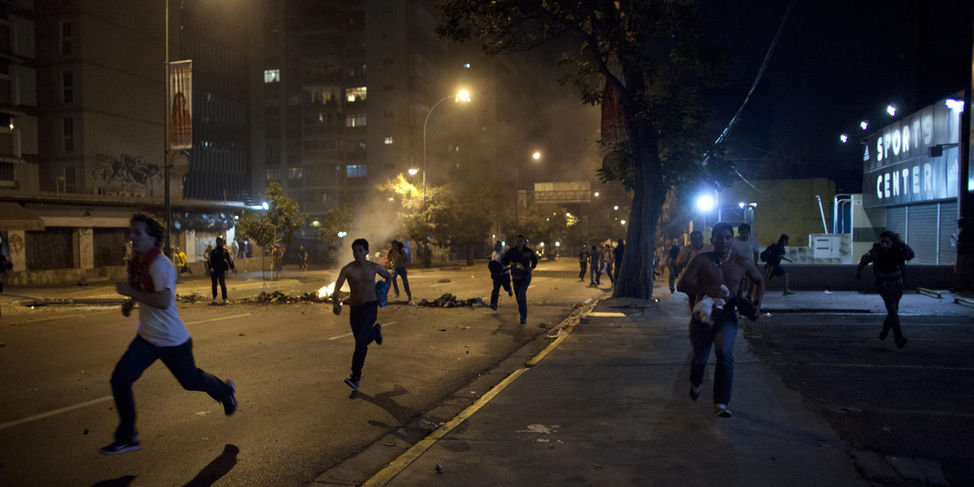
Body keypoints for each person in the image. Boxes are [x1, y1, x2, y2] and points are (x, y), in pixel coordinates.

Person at [101, 213, 236, 455]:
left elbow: (163, 300)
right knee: (120, 379)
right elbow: (143, 289)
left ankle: (226, 392)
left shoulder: (161, 264)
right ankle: (128, 436)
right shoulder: (139, 261)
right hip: (147, 339)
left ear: (152, 238)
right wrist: (131, 302)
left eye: (138, 233)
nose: (131, 237)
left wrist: (130, 291)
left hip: (173, 341)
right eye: (131, 232)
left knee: (190, 381)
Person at [677, 222, 765, 418]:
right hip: (702, 315)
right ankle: (696, 383)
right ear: (712, 240)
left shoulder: (741, 263)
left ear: (732, 239)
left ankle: (721, 402)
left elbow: (759, 281)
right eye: (719, 238)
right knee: (700, 358)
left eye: (727, 237)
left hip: (726, 315)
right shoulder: (701, 260)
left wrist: (757, 304)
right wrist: (706, 292)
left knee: (724, 353)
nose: (723, 242)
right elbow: (681, 285)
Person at [332, 238, 392, 390]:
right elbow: (336, 289)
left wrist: (385, 294)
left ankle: (355, 377)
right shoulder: (347, 269)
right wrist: (336, 304)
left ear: (366, 252)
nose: (357, 253)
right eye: (355, 251)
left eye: (360, 250)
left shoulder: (373, 267)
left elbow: (388, 277)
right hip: (355, 309)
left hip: (370, 307)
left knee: (360, 343)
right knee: (361, 342)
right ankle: (375, 331)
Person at [855, 231, 915, 349]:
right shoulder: (876, 251)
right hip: (883, 283)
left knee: (894, 309)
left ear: (892, 242)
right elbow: (865, 259)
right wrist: (859, 270)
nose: (884, 245)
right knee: (892, 308)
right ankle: (898, 337)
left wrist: (902, 245)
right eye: (882, 242)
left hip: (897, 283)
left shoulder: (899, 250)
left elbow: (910, 255)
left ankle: (885, 329)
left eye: (887, 242)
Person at [501, 235, 538, 324]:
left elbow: (534, 260)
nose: (519, 243)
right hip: (515, 277)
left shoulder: (528, 251)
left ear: (523, 242)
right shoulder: (512, 251)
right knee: (518, 297)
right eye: (518, 241)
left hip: (525, 276)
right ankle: (521, 310)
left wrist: (531, 267)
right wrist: (509, 263)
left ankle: (523, 316)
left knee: (521, 294)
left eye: (521, 241)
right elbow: (504, 259)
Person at [731, 224, 760, 298]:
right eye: (742, 233)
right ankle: (739, 296)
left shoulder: (753, 240)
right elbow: (731, 253)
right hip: (738, 264)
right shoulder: (734, 240)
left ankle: (748, 296)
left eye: (746, 233)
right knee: (740, 281)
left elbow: (756, 252)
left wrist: (756, 264)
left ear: (749, 233)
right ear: (739, 233)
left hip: (749, 264)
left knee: (752, 281)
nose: (744, 235)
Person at [208, 236, 235, 304]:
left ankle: (225, 298)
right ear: (217, 242)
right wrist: (210, 267)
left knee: (222, 284)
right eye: (220, 241)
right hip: (214, 270)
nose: (221, 243)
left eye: (222, 241)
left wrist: (233, 267)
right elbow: (209, 260)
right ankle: (214, 298)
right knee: (214, 284)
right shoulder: (213, 251)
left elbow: (229, 260)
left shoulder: (225, 251)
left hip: (221, 270)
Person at [489, 241, 513, 310]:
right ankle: (493, 304)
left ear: (500, 247)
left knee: (506, 286)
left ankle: (509, 290)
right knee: (495, 290)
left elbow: (506, 263)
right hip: (497, 275)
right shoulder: (493, 253)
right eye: (495, 246)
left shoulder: (503, 254)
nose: (495, 247)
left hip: (504, 274)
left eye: (497, 246)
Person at [952, 217, 973, 292]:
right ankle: (967, 286)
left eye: (958, 223)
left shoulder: (963, 233)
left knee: (960, 271)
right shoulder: (968, 232)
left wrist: (955, 240)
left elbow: (962, 244)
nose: (957, 224)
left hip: (963, 254)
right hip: (967, 254)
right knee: (966, 270)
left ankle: (961, 286)